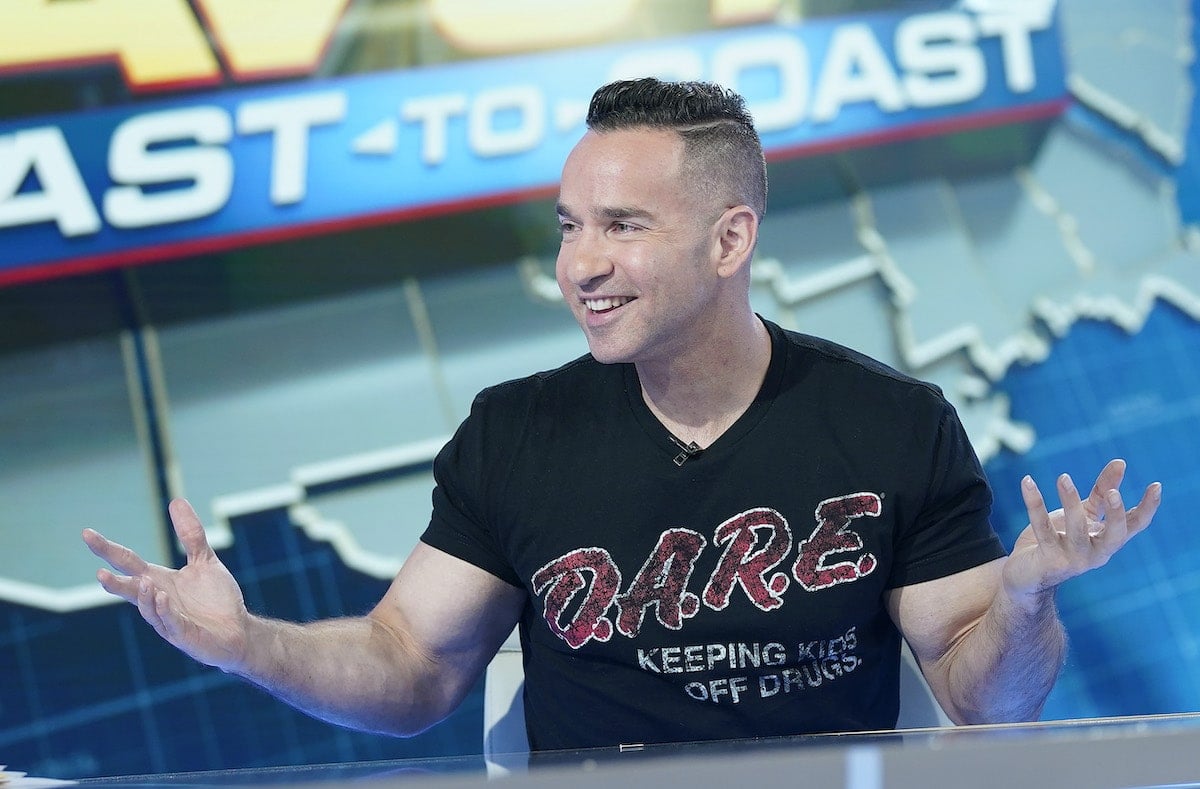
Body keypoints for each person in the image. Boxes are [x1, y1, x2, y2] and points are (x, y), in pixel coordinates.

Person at [83, 77, 1162, 751]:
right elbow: (410, 668)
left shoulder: (893, 423)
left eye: (622, 226)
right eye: (569, 227)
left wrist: (1024, 598)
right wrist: (248, 645)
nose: (580, 266)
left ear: (730, 240)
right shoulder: (515, 436)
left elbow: (983, 701)